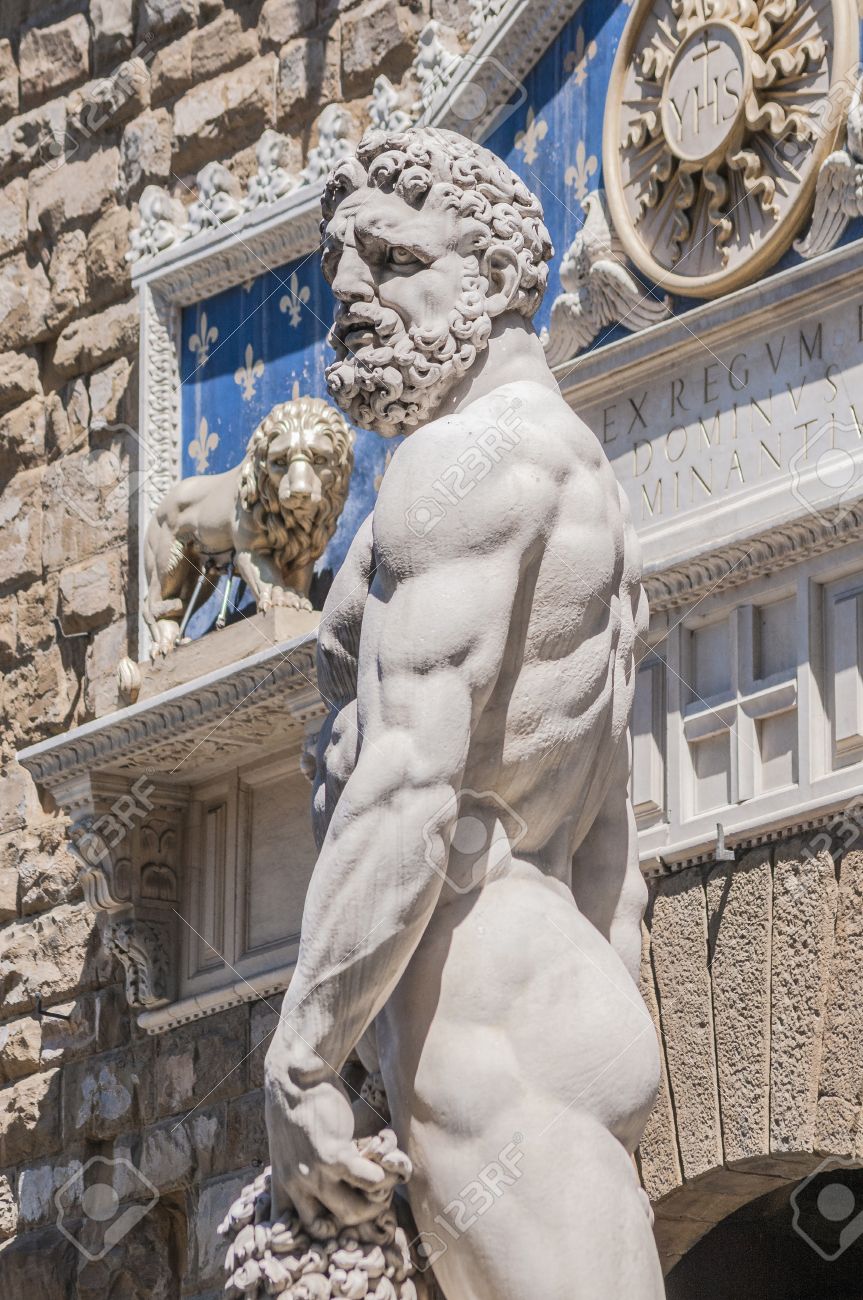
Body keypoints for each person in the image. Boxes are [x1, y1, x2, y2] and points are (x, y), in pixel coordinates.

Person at [264, 126, 665, 1299]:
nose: (350, 293)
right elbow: (606, 840)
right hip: (546, 983)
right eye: (339, 267)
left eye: (389, 258)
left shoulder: (456, 465)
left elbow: (404, 778)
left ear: (491, 280)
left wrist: (302, 1055)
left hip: (476, 1005)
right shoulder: (586, 481)